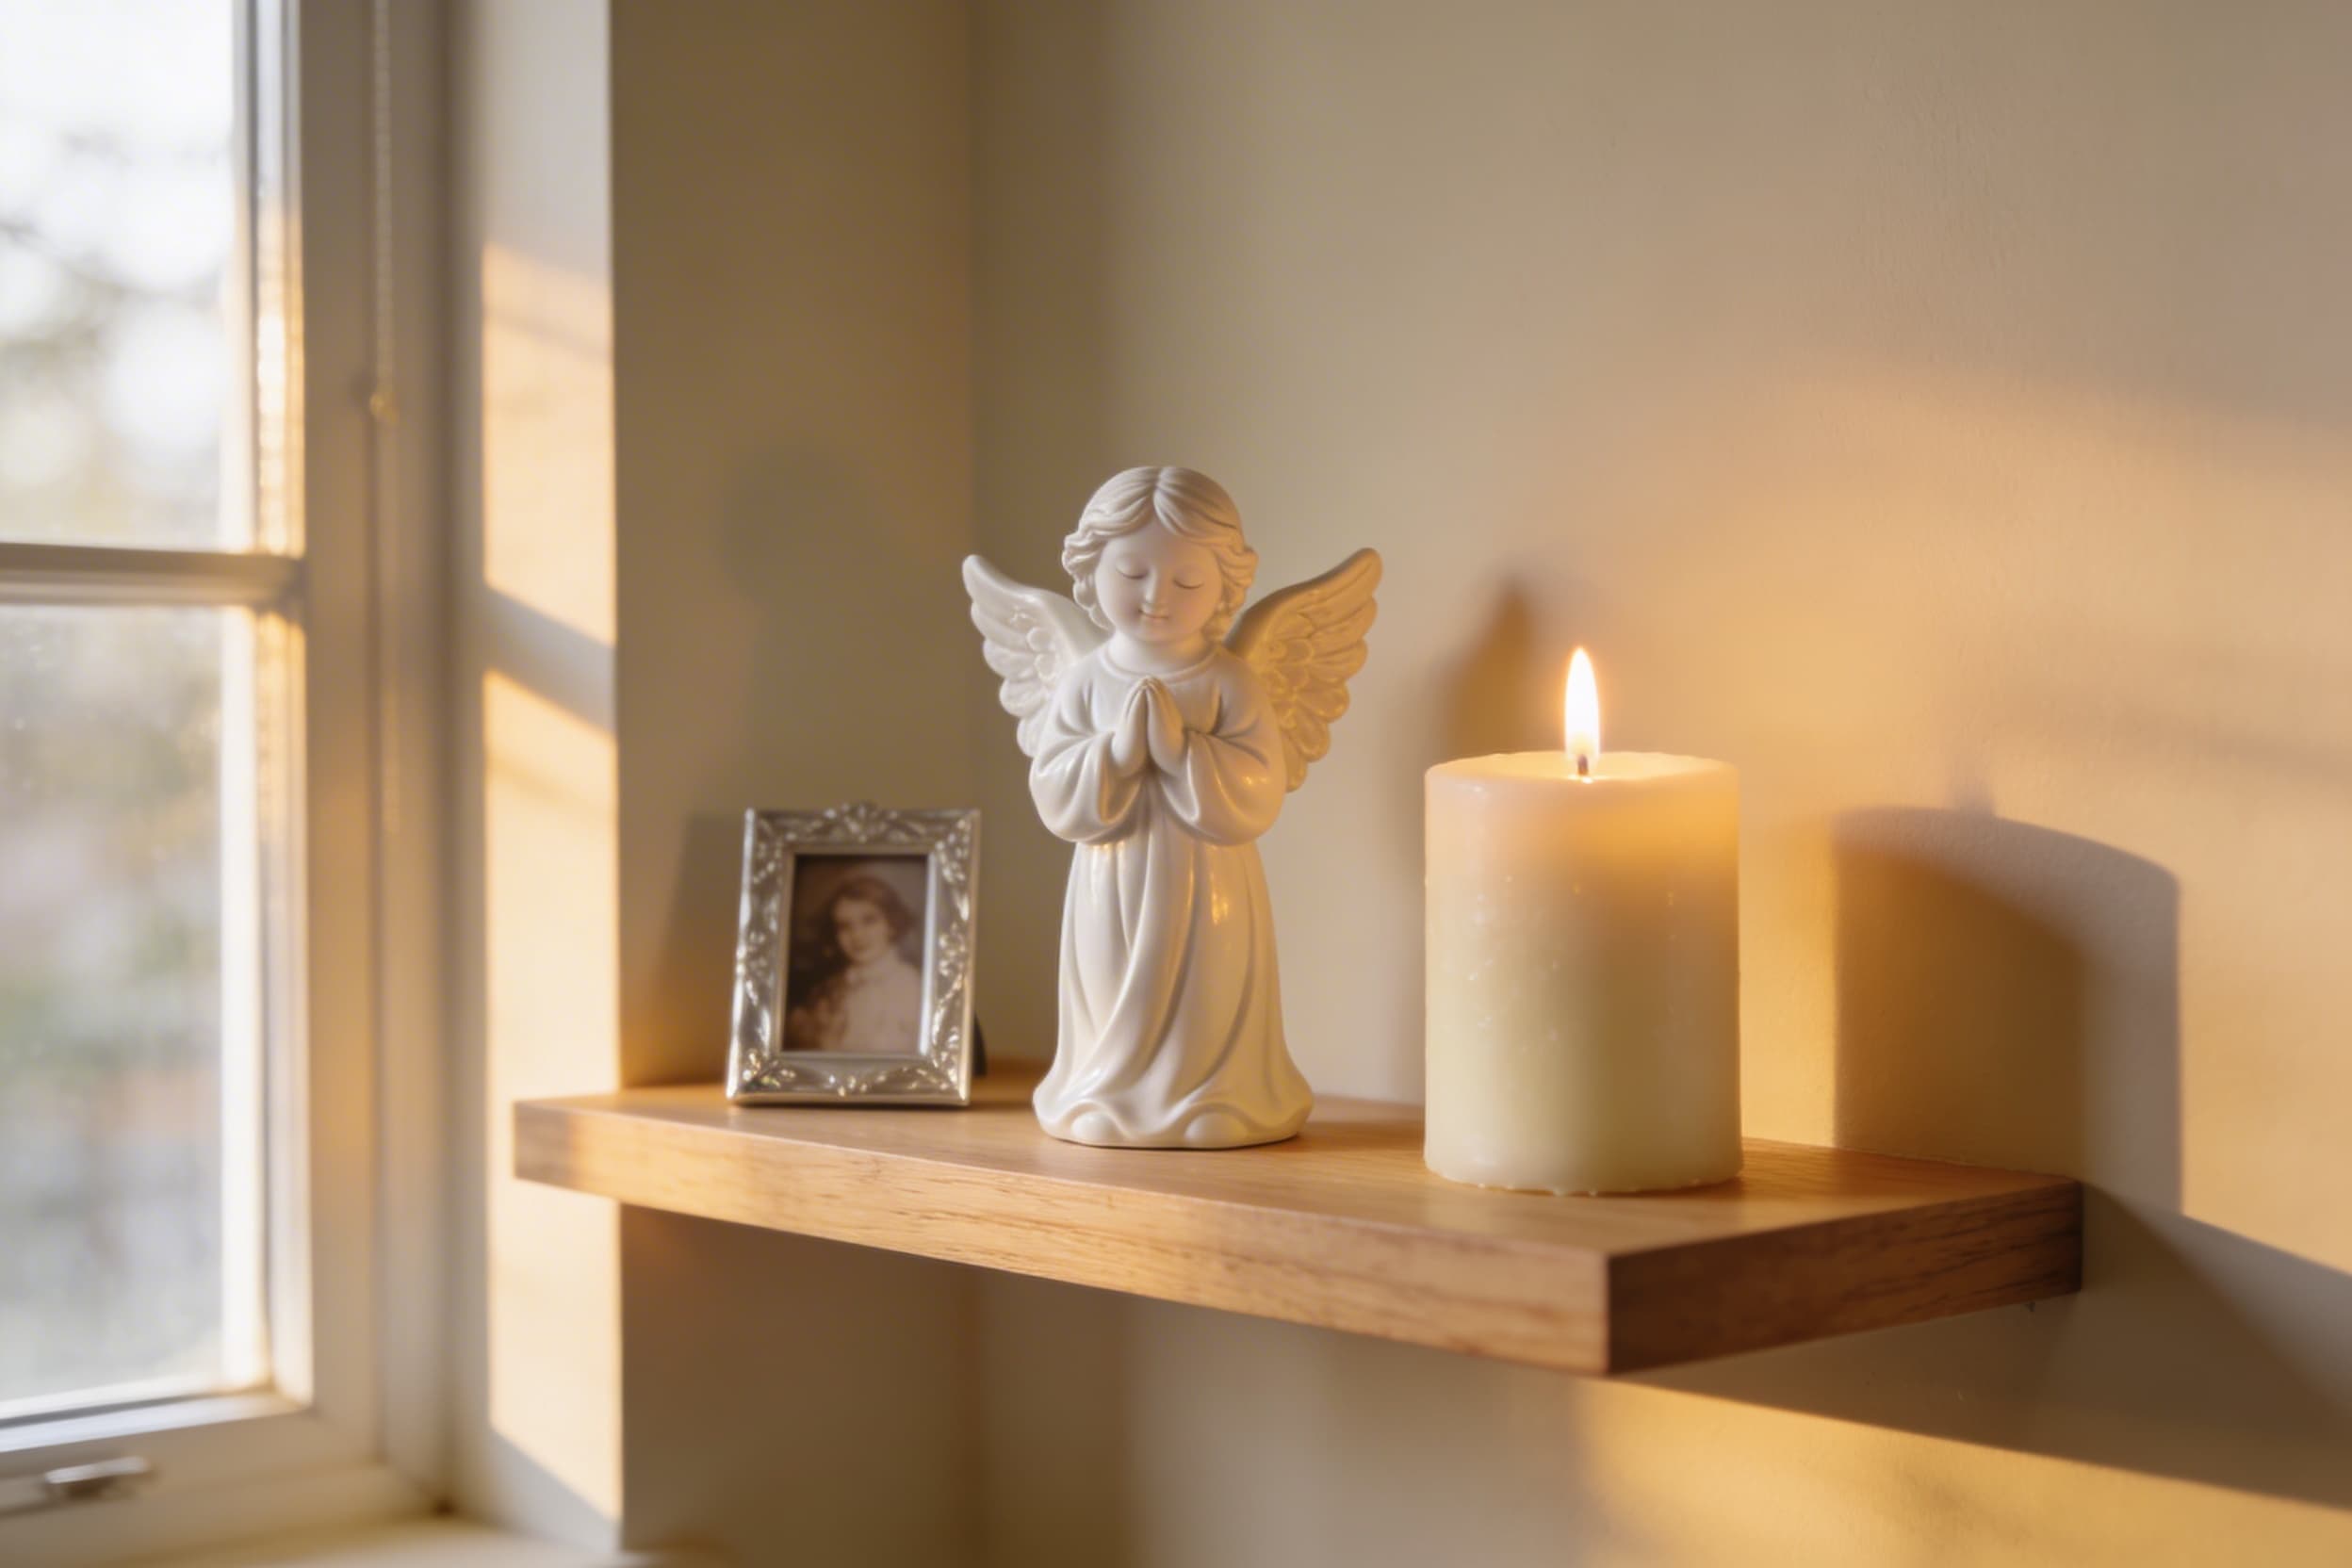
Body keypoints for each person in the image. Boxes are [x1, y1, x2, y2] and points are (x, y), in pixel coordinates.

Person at [785, 873, 923, 1054]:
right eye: (844, 926)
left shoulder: (910, 985)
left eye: (869, 921)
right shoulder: (832, 989)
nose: (857, 935)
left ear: (892, 924)